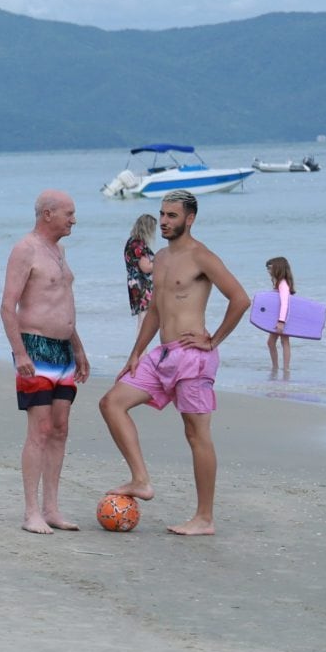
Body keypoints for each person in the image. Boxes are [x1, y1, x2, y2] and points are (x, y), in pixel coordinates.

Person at [99, 190, 249, 536]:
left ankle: (204, 518)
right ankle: (140, 479)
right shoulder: (162, 258)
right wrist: (136, 352)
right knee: (112, 403)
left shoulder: (202, 257)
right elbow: (154, 310)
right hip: (162, 355)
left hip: (193, 358)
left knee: (196, 434)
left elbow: (240, 299)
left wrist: (213, 339)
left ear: (190, 219)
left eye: (172, 216)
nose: (165, 221)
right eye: (162, 215)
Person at [0, 191, 89, 534]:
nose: (73, 220)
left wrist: (79, 348)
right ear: (48, 214)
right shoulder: (26, 249)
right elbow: (8, 305)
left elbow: (64, 303)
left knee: (60, 429)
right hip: (35, 348)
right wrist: (20, 353)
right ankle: (31, 512)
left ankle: (52, 508)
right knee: (39, 429)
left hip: (64, 350)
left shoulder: (60, 251)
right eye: (69, 213)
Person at [264, 256, 296, 376]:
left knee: (284, 341)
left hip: (282, 318)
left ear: (277, 268)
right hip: (278, 318)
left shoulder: (283, 284)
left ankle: (285, 369)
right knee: (272, 342)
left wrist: (281, 321)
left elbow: (285, 303)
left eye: (269, 268)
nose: (268, 271)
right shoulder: (279, 283)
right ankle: (276, 367)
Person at [124, 214, 157, 317]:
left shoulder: (131, 241)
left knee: (144, 319)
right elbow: (146, 268)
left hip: (135, 283)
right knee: (144, 319)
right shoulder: (138, 244)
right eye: (152, 228)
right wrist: (161, 262)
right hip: (141, 285)